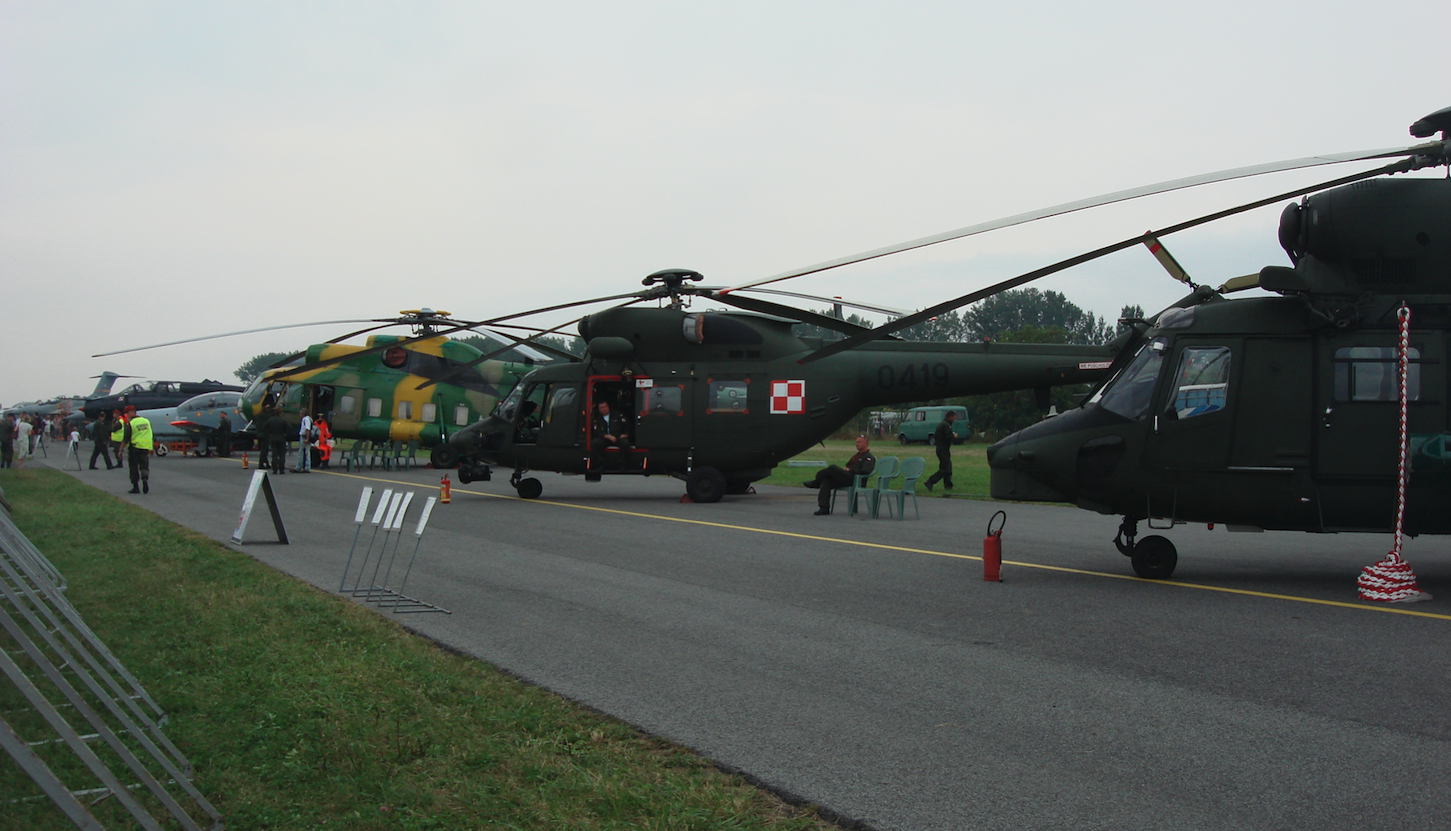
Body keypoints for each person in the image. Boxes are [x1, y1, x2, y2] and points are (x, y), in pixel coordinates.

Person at [803, 435, 877, 516]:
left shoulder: (868, 457)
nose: (857, 444)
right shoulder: (856, 456)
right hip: (847, 478)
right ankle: (824, 508)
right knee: (826, 481)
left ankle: (817, 482)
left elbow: (866, 471)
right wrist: (845, 470)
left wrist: (850, 470)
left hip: (856, 480)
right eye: (856, 442)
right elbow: (848, 465)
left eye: (859, 442)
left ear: (866, 444)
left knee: (833, 468)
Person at [924, 410, 958, 491]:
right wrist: (954, 436)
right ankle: (930, 481)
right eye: (953, 417)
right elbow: (948, 436)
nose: (954, 419)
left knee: (948, 467)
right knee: (945, 469)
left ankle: (948, 485)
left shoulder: (942, 424)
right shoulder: (946, 425)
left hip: (941, 448)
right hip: (943, 449)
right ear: (950, 417)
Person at [122, 405, 153, 494]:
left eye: (127, 413)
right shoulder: (146, 421)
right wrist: (151, 447)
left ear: (131, 412)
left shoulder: (131, 423)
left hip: (134, 447)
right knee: (144, 465)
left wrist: (120, 449)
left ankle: (135, 486)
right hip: (145, 447)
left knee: (133, 466)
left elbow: (126, 437)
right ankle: (145, 479)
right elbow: (150, 434)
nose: (126, 415)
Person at [591, 400, 632, 465]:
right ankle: (601, 462)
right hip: (605, 438)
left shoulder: (617, 414)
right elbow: (597, 431)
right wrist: (607, 436)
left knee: (625, 443)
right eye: (602, 407)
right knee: (594, 444)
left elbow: (627, 425)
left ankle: (622, 462)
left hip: (617, 437)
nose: (604, 409)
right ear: (599, 409)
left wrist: (626, 434)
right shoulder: (597, 419)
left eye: (605, 406)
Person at [265, 408, 290, 474]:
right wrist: (285, 434)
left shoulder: (270, 420)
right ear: (280, 413)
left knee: (274, 454)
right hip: (281, 438)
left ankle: (274, 469)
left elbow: (264, 428)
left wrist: (269, 433)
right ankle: (281, 469)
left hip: (273, 438)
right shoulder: (283, 420)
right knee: (282, 455)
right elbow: (290, 428)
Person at [294, 408, 312, 473]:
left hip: (304, 437)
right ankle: (306, 467)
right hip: (305, 436)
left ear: (302, 414)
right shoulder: (309, 419)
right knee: (307, 452)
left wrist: (307, 438)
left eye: (300, 413)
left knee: (301, 452)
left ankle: (299, 467)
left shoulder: (305, 419)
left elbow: (307, 429)